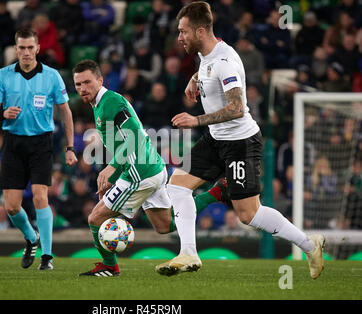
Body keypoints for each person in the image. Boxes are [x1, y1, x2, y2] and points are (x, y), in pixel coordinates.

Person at [156, 2, 325, 279]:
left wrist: (195, 120)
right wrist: (195, 77)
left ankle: (309, 244)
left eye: (183, 31)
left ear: (200, 30)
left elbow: (236, 107)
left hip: (240, 143)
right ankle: (188, 253)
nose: (179, 37)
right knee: (177, 185)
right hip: (215, 139)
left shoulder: (226, 61)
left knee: (248, 214)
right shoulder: (208, 55)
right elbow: (210, 69)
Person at [72, 59, 230, 277]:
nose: (82, 88)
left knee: (95, 219)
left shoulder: (112, 102)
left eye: (87, 82)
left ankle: (109, 267)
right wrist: (113, 175)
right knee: (164, 226)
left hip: (139, 173)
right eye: (78, 84)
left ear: (100, 80)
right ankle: (216, 192)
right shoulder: (100, 105)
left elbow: (135, 136)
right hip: (152, 168)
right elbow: (122, 142)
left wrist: (111, 168)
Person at [0, 28, 78, 270]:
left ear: (38, 48)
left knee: (40, 196)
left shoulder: (52, 76)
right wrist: (3, 113)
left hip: (41, 143)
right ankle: (31, 238)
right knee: (12, 206)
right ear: (16, 49)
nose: (26, 52)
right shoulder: (3, 75)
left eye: (30, 47)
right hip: (13, 143)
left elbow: (66, 113)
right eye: (21, 48)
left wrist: (70, 147)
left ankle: (47, 256)